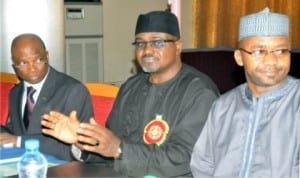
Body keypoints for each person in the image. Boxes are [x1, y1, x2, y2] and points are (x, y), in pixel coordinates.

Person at [41, 11, 219, 177]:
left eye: (157, 42)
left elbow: (185, 158)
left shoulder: (199, 92)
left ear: (178, 46)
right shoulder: (130, 87)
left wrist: (119, 150)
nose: (147, 50)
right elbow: (111, 148)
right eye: (140, 43)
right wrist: (83, 141)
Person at [190, 7, 300, 177]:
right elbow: (202, 166)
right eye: (258, 51)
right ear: (239, 58)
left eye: (280, 51)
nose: (271, 60)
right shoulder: (223, 107)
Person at [0, 33, 94, 161]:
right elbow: (15, 131)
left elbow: (76, 148)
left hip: (61, 169)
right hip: (22, 165)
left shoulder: (73, 90)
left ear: (47, 56)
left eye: (38, 60)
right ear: (14, 65)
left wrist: (19, 141)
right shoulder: (15, 92)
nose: (32, 68)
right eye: (23, 63)